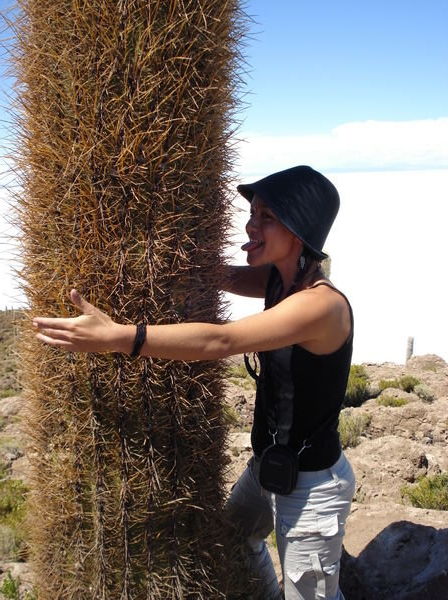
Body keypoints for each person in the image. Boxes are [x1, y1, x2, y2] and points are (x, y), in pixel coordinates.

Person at [33, 165, 355, 600]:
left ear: (298, 233)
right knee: (237, 536)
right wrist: (153, 256)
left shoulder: (321, 305)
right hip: (269, 465)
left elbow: (221, 340)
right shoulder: (281, 277)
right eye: (252, 212)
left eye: (267, 217)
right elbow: (229, 277)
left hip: (312, 482)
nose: (250, 224)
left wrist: (119, 336)